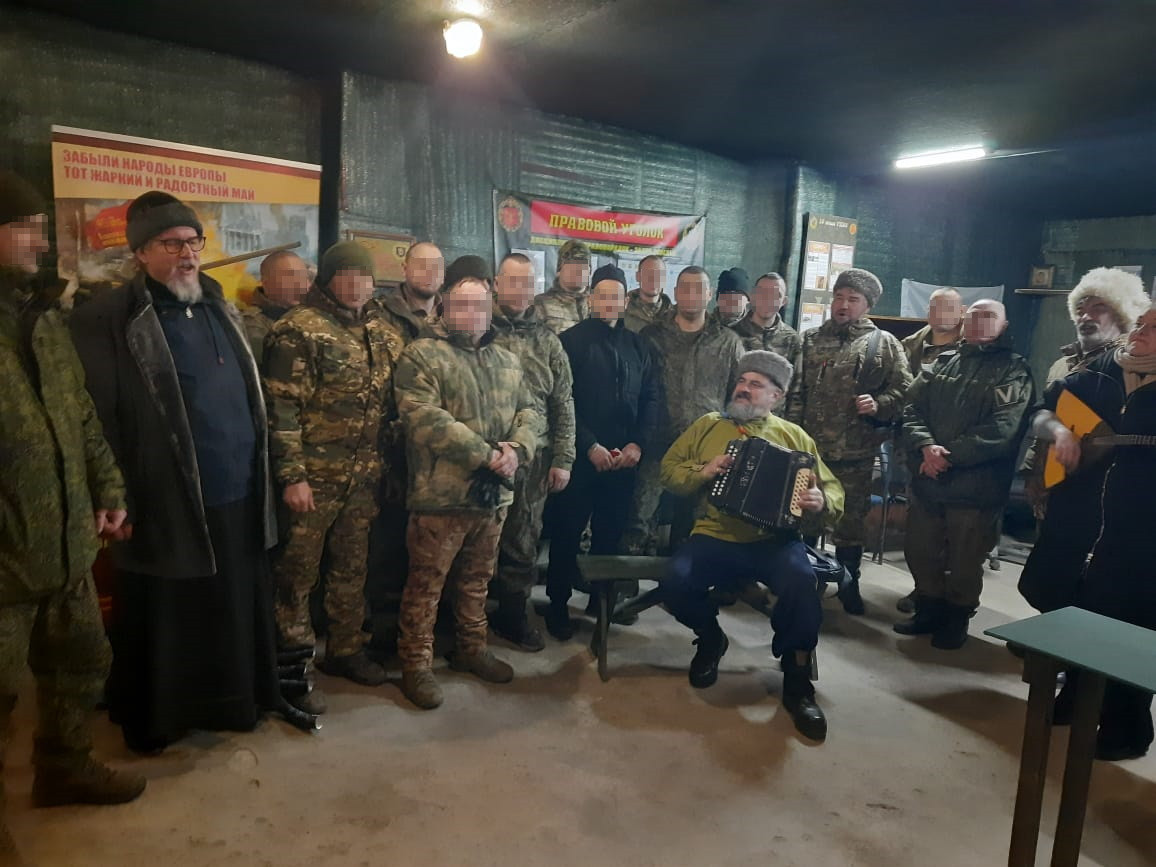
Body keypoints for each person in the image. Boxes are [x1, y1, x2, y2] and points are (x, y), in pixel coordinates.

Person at [70, 191, 280, 753]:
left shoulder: (218, 306)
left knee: (231, 605)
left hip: (236, 490)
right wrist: (115, 495)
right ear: (141, 253)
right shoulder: (107, 318)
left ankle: (233, 703)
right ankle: (163, 720)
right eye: (171, 244)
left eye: (193, 242)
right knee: (168, 615)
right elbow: (98, 415)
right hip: (161, 496)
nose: (187, 254)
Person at [0, 172, 145, 858]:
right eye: (23, 228)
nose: (38, 242)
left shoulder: (41, 317)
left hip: (62, 542)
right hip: (6, 555)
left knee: (83, 658)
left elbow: (80, 413)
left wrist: (108, 489)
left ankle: (63, 767)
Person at [660, 350, 844, 740]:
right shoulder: (708, 425)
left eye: (755, 384)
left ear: (776, 396)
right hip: (714, 533)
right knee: (675, 581)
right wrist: (703, 470)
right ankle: (711, 638)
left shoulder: (794, 436)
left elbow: (830, 488)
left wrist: (821, 500)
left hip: (774, 541)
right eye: (742, 382)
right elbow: (669, 471)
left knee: (801, 584)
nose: (743, 389)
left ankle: (797, 682)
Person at [263, 242, 404, 714]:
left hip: (363, 480)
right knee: (295, 576)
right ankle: (291, 670)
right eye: (346, 275)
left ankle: (346, 649)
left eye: (364, 277)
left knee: (351, 569)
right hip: (312, 481)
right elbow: (281, 410)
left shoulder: (383, 334)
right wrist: (292, 476)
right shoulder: (297, 330)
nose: (356, 285)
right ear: (326, 279)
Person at [393, 276, 542, 709]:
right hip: (441, 497)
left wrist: (517, 449)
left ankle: (471, 648)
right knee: (426, 584)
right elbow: (422, 417)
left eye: (480, 306)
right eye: (462, 305)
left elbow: (530, 410)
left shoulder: (507, 360)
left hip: (493, 498)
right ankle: (416, 665)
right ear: (445, 307)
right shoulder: (422, 355)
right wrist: (487, 455)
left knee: (478, 580)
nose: (472, 314)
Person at [896, 300, 1037, 649]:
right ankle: (928, 610)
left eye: (988, 316)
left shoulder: (1014, 371)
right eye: (973, 316)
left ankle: (956, 619)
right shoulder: (943, 361)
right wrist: (926, 446)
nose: (979, 321)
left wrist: (947, 456)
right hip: (929, 481)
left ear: (1004, 326)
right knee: (921, 550)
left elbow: (1002, 429)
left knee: (965, 561)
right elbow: (911, 408)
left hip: (976, 489)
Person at [1018, 267, 1149, 617]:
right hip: (1061, 487)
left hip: (1114, 501)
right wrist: (1037, 472)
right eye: (1081, 308)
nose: (1086, 316)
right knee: (1052, 574)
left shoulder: (1133, 368)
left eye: (1098, 308)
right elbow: (1043, 414)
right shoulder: (1066, 366)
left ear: (1122, 314)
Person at [546, 264, 663, 640]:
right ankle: (557, 604)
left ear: (625, 300)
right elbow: (562, 402)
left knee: (609, 539)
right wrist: (589, 446)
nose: (609, 302)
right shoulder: (570, 342)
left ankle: (601, 602)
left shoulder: (639, 346)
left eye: (616, 296)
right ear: (591, 298)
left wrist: (638, 444)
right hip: (581, 460)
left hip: (623, 461)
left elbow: (651, 399)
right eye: (602, 295)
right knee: (566, 535)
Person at [784, 269, 911, 614]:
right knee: (805, 518)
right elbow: (796, 392)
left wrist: (879, 403)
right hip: (811, 451)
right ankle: (805, 581)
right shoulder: (811, 339)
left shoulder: (883, 343)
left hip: (855, 451)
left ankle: (848, 584)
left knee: (850, 523)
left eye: (853, 299)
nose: (843, 305)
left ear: (867, 305)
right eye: (839, 297)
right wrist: (794, 440)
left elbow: (905, 390)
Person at [1076, 307, 1156, 760]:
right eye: (1140, 324)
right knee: (1100, 616)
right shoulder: (1112, 372)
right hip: (1108, 525)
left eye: (1153, 328)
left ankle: (1129, 728)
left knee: (1138, 627)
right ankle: (1089, 705)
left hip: (1148, 535)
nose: (1140, 332)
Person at [623, 266, 745, 555]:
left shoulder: (728, 342)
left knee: (695, 527)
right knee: (638, 521)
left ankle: (684, 577)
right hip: (657, 445)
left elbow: (737, 396)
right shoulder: (652, 336)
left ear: (709, 294)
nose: (692, 294)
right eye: (685, 288)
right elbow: (637, 389)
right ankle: (626, 577)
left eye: (698, 288)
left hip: (706, 452)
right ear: (676, 292)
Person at [489, 253, 576, 651]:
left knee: (523, 540)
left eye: (528, 283)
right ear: (496, 283)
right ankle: (462, 621)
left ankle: (512, 613)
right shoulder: (477, 328)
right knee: (472, 542)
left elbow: (563, 403)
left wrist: (563, 458)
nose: (521, 290)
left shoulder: (548, 341)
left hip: (533, 460)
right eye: (513, 281)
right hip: (483, 455)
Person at [362, 240, 444, 655]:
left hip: (438, 455)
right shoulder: (375, 315)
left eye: (436, 266)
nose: (429, 272)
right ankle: (378, 634)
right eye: (421, 264)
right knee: (385, 545)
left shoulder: (456, 315)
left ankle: (427, 634)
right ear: (405, 269)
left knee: (430, 551)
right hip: (389, 451)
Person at [240, 250, 311, 368]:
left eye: (304, 277)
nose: (300, 284)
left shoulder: (311, 315)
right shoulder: (251, 323)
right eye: (290, 277)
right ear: (266, 283)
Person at [729, 271, 801, 366]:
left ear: (784, 301)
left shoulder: (792, 339)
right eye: (762, 293)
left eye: (776, 295)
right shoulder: (730, 335)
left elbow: (797, 375)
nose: (768, 299)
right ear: (753, 296)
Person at [901, 288, 963, 377]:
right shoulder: (910, 346)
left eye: (948, 308)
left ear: (961, 312)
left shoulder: (972, 347)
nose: (941, 313)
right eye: (935, 308)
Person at [532, 240, 591, 335]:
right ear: (559, 270)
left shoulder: (600, 304)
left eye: (583, 264)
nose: (578, 269)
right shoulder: (540, 304)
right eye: (572, 264)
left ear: (590, 270)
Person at [623, 254, 671, 333]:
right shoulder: (622, 310)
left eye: (658, 274)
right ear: (638, 276)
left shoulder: (674, 315)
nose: (653, 279)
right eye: (648, 274)